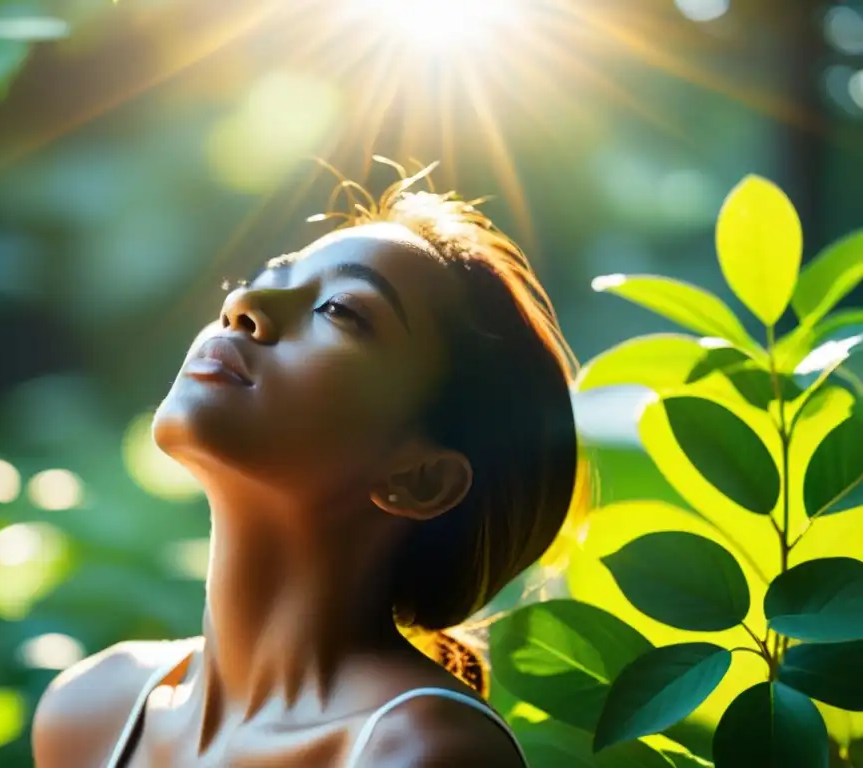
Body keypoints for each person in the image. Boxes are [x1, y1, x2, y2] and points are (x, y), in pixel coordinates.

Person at [32, 159, 587, 767]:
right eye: (266, 277)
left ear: (420, 477)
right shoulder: (90, 711)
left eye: (340, 310)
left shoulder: (420, 752)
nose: (243, 302)